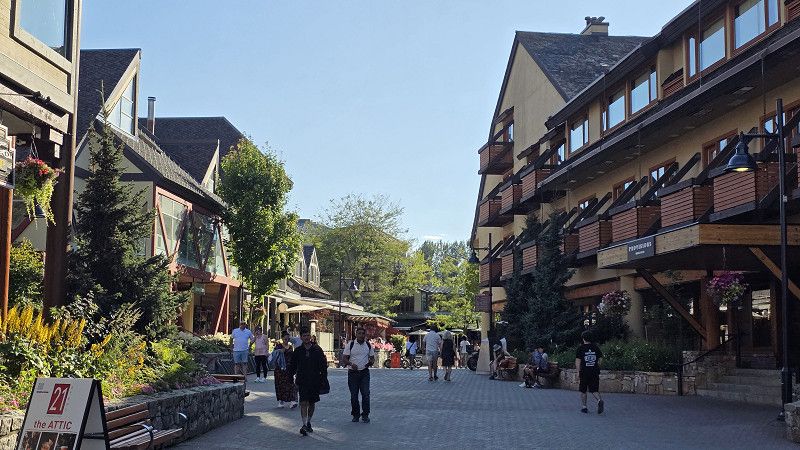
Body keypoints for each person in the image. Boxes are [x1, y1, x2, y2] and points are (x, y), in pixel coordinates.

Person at [292, 326, 328, 436]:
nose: (306, 337)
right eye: (304, 336)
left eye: (308, 335)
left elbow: (323, 366)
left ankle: (308, 422)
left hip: (315, 380)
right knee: (303, 402)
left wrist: (323, 379)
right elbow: (293, 366)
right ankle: (304, 424)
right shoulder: (298, 351)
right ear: (301, 337)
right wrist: (291, 380)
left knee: (311, 403)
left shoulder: (317, 349)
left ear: (310, 336)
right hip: (302, 380)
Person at [342, 327, 375, 423]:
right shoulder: (351, 344)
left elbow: (372, 358)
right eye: (359, 333)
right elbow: (344, 358)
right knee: (354, 395)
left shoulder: (368, 345)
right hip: (353, 373)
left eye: (363, 333)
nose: (361, 335)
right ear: (356, 334)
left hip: (364, 373)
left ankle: (365, 415)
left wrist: (370, 362)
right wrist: (351, 364)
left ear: (365, 335)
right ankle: (355, 415)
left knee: (366, 394)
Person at [576, 330, 604, 414]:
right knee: (594, 389)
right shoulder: (596, 347)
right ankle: (599, 400)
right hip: (594, 371)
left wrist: (578, 371)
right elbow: (600, 359)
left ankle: (584, 407)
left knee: (583, 390)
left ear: (583, 338)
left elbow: (578, 361)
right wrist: (597, 366)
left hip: (584, 371)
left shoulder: (580, 348)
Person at [270, 332, 297, 408]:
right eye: (285, 339)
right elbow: (274, 355)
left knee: (290, 384)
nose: (287, 340)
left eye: (288, 339)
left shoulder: (290, 347)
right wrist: (280, 351)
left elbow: (293, 357)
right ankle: (281, 401)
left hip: (289, 368)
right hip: (280, 369)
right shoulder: (278, 346)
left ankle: (292, 401)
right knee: (280, 385)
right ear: (282, 338)